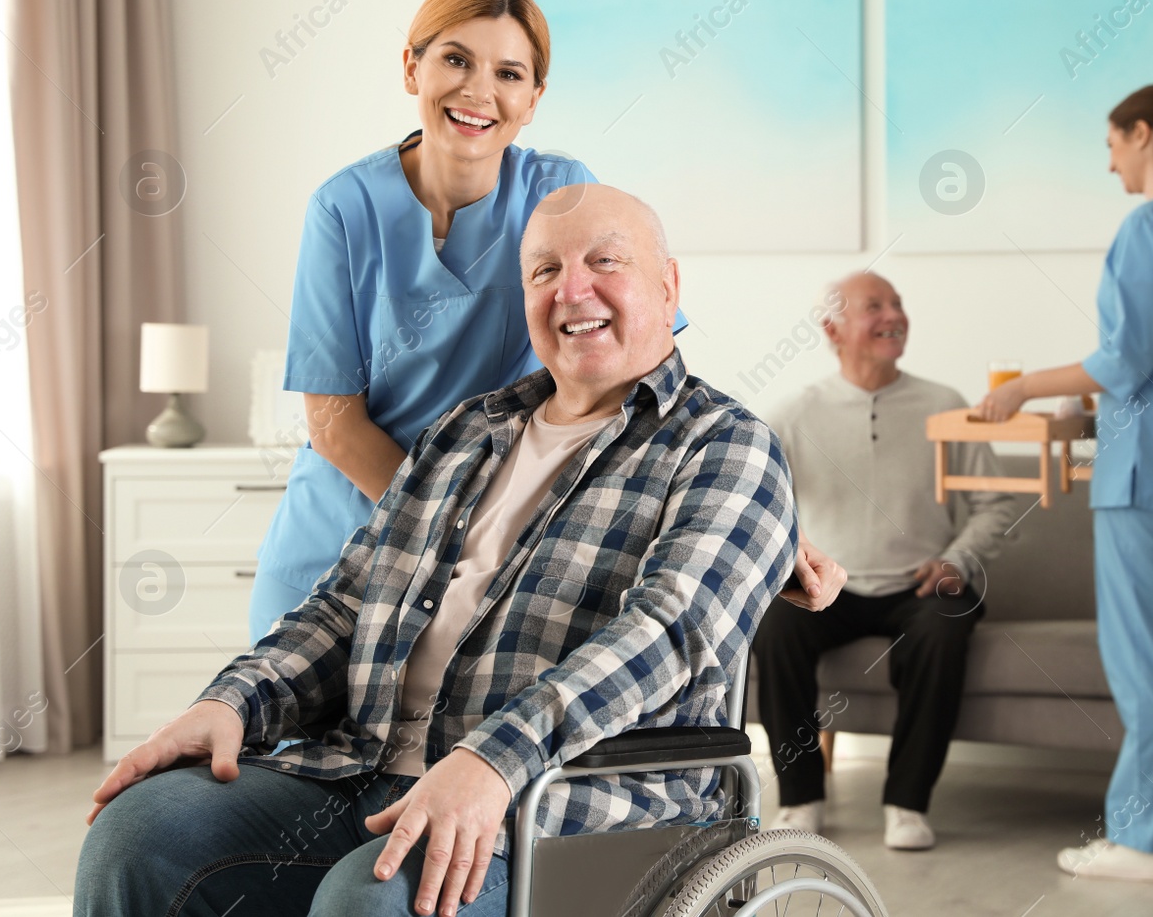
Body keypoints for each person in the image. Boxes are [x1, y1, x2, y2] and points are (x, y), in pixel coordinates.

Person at [76, 186, 840, 917]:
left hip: (560, 808)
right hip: (365, 773)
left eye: (605, 262)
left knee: (373, 896)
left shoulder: (725, 445)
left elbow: (667, 634)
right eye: (545, 269)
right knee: (139, 836)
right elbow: (349, 600)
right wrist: (233, 697)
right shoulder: (465, 431)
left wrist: (494, 758)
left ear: (669, 287)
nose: (572, 290)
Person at [248, 0, 695, 641]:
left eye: (509, 73)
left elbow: (647, 362)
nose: (479, 91)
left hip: (484, 561)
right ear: (412, 67)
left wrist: (738, 502)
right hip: (344, 543)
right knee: (276, 739)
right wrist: (456, 529)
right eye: (456, 59)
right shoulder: (343, 208)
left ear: (534, 99)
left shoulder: (561, 193)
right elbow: (335, 426)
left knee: (450, 746)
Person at [975, 85, 1153, 882]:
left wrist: (1024, 385)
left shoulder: (1150, 226)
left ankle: (1141, 839)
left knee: (1142, 658)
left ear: (1141, 134)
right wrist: (1093, 387)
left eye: (1111, 144)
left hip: (1145, 470)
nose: (1108, 162)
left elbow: (1126, 360)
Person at [754, 271, 1021, 851]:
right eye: (873, 306)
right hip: (833, 586)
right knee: (774, 625)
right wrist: (797, 562)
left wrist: (959, 557)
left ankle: (907, 803)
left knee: (943, 627)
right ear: (833, 329)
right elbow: (760, 508)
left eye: (897, 303)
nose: (892, 314)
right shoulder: (794, 413)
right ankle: (800, 799)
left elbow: (995, 502)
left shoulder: (945, 405)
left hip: (924, 585)